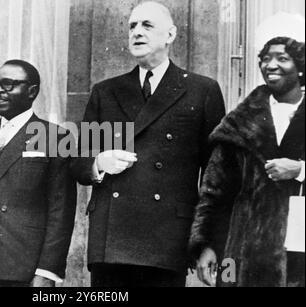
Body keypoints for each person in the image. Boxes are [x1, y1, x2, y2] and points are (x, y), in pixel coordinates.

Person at [70, 1, 226, 287]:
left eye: (147, 25)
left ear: (170, 35)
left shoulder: (202, 91)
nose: (137, 32)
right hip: (111, 241)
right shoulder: (106, 91)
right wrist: (98, 163)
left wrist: (209, 242)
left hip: (167, 238)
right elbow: (78, 162)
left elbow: (217, 176)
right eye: (132, 26)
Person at [189, 37, 305, 287]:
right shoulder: (239, 123)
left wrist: (300, 169)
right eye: (265, 59)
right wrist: (206, 245)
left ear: (301, 67)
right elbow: (214, 191)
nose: (271, 65)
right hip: (246, 255)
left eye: (282, 59)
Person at [0, 60, 77, 287]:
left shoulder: (55, 137)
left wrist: (48, 271)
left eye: (7, 85)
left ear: (31, 91)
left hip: (26, 268)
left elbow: (61, 211)